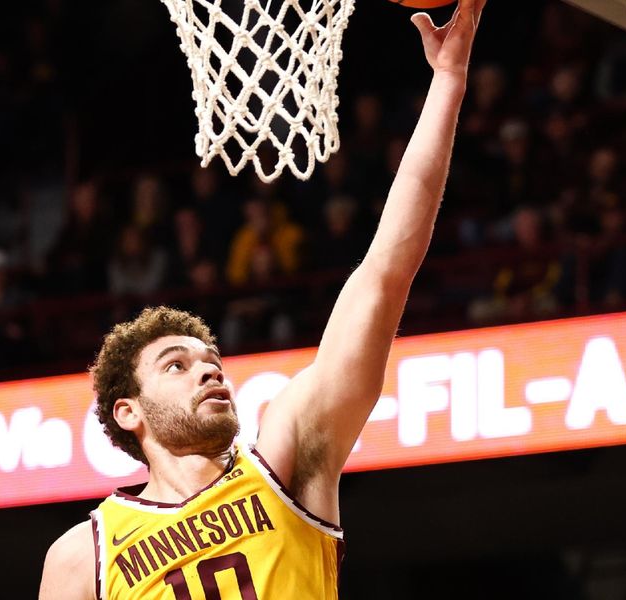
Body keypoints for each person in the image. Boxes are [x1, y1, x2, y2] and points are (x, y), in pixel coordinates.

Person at [38, 1, 487, 598]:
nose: (208, 372)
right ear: (128, 412)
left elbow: (383, 272)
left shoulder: (285, 455)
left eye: (210, 361)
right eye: (177, 365)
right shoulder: (82, 556)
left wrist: (448, 82)